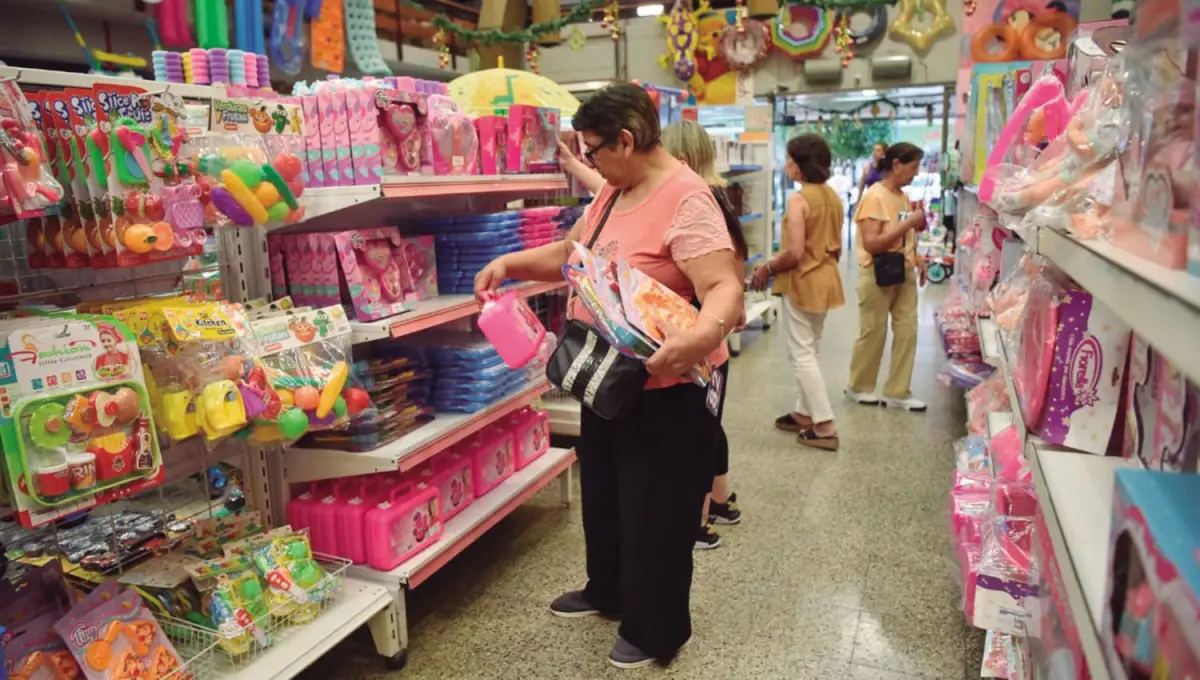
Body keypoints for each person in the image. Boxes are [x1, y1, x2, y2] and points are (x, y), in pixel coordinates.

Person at [475, 83, 744, 669]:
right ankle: (610, 591)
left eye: (593, 151)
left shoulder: (686, 200)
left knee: (659, 508)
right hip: (606, 378)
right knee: (607, 495)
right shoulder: (614, 193)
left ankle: (658, 628)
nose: (588, 162)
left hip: (665, 387)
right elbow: (572, 253)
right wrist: (510, 264)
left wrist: (701, 335)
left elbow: (725, 287)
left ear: (627, 140)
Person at [661, 119, 748, 549]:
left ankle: (697, 524)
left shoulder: (693, 200)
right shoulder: (720, 195)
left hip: (698, 333)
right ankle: (720, 501)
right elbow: (738, 262)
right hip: (715, 331)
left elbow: (721, 270)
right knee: (711, 423)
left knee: (698, 429)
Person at [749, 134, 844, 450]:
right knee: (811, 348)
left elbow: (794, 252)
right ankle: (804, 413)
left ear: (802, 165)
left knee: (801, 353)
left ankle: (825, 423)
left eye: (789, 159)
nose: (785, 164)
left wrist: (767, 267)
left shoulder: (799, 200)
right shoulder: (832, 196)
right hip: (827, 278)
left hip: (803, 280)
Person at [845, 142, 928, 412]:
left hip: (903, 271)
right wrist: (908, 223)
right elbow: (872, 243)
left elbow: (904, 234)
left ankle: (898, 390)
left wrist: (916, 256)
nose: (915, 174)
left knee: (907, 330)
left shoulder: (902, 197)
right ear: (896, 164)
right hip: (877, 272)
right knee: (874, 330)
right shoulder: (874, 196)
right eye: (913, 167)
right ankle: (859, 386)